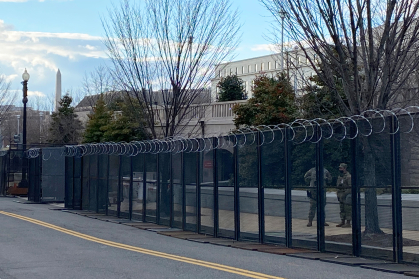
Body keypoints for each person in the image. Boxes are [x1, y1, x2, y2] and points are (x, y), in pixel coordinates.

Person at [336, 163, 352, 228]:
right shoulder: (340, 176)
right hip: (340, 194)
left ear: (345, 168)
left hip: (346, 194)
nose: (340, 169)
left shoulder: (348, 176)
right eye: (339, 168)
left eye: (341, 168)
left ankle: (348, 223)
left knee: (347, 208)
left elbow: (350, 187)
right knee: (342, 208)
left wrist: (345, 194)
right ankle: (342, 221)